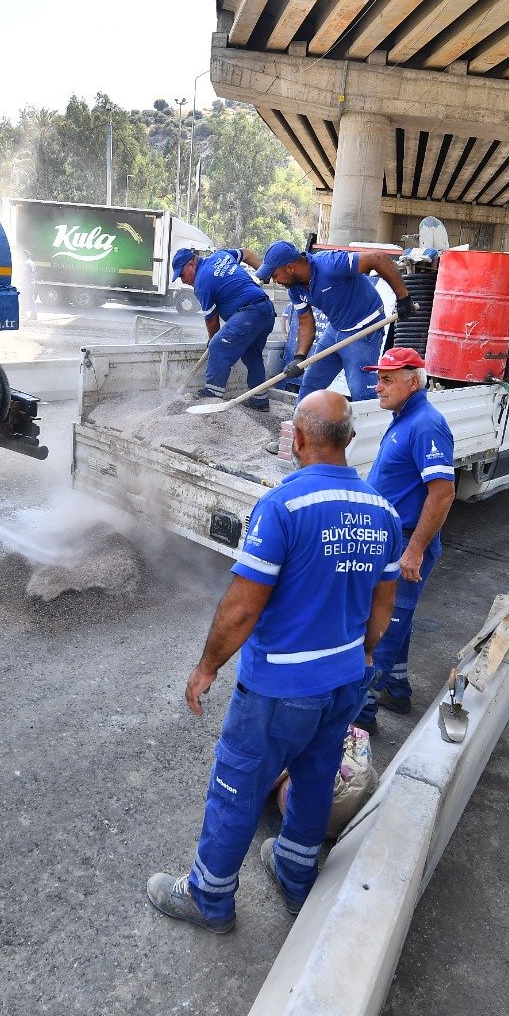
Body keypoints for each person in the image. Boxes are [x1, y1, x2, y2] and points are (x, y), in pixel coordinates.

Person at [146, 391, 401, 933]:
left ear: (300, 440)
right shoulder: (383, 511)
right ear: (351, 441)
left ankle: (209, 897)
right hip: (344, 680)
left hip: (279, 689)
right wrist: (365, 655)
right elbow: (383, 609)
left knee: (237, 783)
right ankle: (293, 871)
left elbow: (242, 606)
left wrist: (207, 667)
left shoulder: (283, 506)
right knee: (313, 778)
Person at [356, 348, 455, 731]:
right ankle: (396, 689)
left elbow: (443, 493)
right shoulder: (404, 417)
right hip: (393, 542)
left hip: (405, 544)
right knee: (398, 619)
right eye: (378, 377)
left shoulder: (426, 424)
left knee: (383, 626)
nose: (376, 386)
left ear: (412, 381)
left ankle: (360, 716)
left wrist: (413, 551)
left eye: (386, 379)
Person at [254, 241, 417, 403]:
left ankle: (370, 428)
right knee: (311, 382)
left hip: (364, 329)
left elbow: (378, 258)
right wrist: (299, 357)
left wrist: (403, 297)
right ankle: (300, 427)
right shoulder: (294, 289)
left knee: (361, 393)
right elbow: (305, 320)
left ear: (290, 267)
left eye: (275, 275)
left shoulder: (330, 263)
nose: (275, 281)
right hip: (335, 329)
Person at [172, 246, 274, 411]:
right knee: (251, 355)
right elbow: (246, 253)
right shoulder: (220, 255)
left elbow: (212, 321)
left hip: (250, 313)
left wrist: (212, 342)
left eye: (182, 275)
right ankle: (260, 401)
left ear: (191, 263)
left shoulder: (201, 283)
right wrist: (261, 269)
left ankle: (212, 396)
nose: (183, 281)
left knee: (218, 345)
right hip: (265, 310)